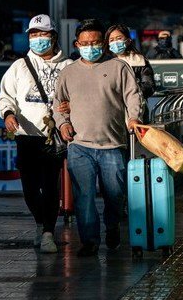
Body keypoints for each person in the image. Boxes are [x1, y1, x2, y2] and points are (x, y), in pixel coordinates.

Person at [54, 19, 143, 257]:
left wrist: (133, 118)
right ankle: (90, 241)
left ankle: (112, 226)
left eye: (95, 42)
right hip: (79, 146)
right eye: (85, 43)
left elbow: (132, 96)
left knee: (115, 195)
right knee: (84, 197)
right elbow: (58, 104)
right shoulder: (68, 72)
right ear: (76, 44)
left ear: (103, 43)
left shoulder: (119, 67)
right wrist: (63, 124)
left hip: (112, 144)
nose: (90, 46)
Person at [0, 14, 73, 253]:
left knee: (51, 185)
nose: (38, 39)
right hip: (26, 135)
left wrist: (72, 106)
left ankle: (49, 232)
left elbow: (79, 95)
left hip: (54, 136)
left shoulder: (69, 66)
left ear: (54, 37)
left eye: (43, 34)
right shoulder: (19, 66)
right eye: (34, 35)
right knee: (30, 188)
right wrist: (9, 114)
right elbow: (5, 96)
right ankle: (40, 223)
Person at [106, 24, 155, 120]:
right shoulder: (104, 62)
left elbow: (149, 86)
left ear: (128, 41)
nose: (115, 42)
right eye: (111, 40)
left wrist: (130, 93)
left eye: (119, 38)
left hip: (137, 112)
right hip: (110, 113)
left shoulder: (139, 60)